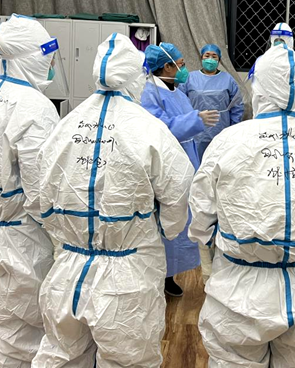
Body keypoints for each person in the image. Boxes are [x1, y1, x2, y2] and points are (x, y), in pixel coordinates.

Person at [189, 43, 295, 367]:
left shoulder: (228, 141)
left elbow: (201, 209)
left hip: (241, 292)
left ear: (258, 85)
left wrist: (207, 254)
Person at [33, 33, 193, 367]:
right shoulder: (148, 128)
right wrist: (167, 228)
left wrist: (61, 233)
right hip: (128, 275)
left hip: (68, 271)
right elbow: (178, 188)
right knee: (128, 360)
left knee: (61, 356)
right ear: (137, 76)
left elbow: (40, 192)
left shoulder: (67, 124)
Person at [0, 15, 63, 368]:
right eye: (47, 55)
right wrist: (61, 237)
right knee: (22, 337)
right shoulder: (35, 106)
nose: (50, 63)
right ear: (31, 56)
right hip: (21, 241)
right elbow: (40, 188)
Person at [141, 42, 216, 297]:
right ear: (166, 66)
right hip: (165, 164)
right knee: (163, 219)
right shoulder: (149, 93)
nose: (184, 69)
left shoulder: (177, 91)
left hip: (186, 159)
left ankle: (169, 273)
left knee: (180, 218)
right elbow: (159, 127)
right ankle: (158, 275)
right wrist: (195, 120)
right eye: (180, 64)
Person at [180, 43, 244, 159]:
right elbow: (180, 103)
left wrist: (232, 130)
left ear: (219, 59)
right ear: (201, 57)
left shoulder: (227, 79)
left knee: (218, 161)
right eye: (207, 55)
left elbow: (237, 106)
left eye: (214, 56)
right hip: (196, 131)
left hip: (221, 130)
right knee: (196, 163)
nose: (210, 59)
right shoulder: (190, 78)